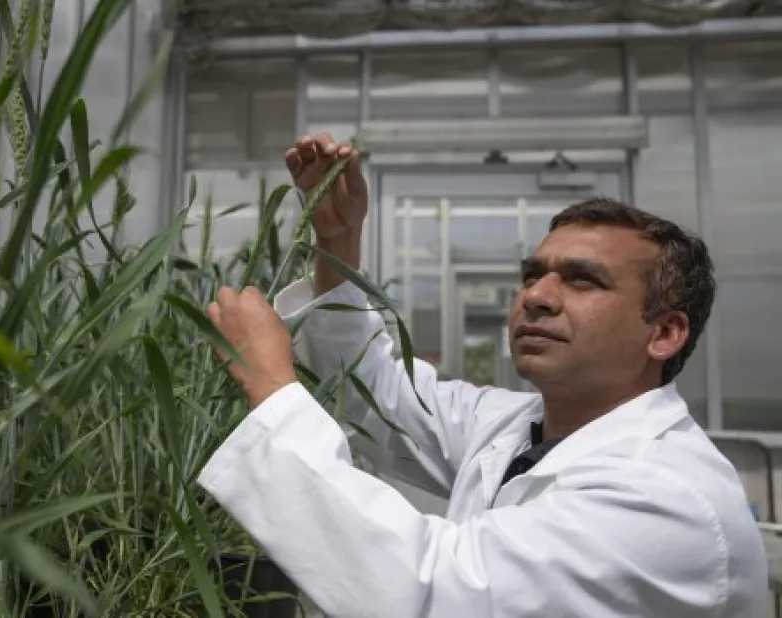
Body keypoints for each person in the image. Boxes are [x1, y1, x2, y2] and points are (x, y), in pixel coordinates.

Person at [197, 133, 769, 617]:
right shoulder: (523, 424)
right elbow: (381, 393)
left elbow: (432, 590)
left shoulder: (665, 497)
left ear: (665, 333)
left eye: (582, 280)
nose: (537, 297)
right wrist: (337, 238)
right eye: (533, 275)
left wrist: (272, 387)